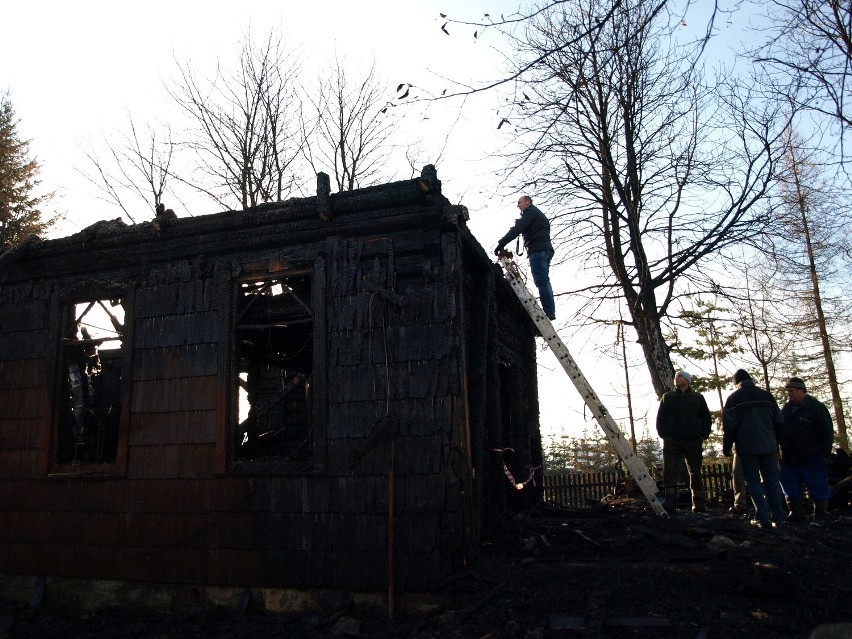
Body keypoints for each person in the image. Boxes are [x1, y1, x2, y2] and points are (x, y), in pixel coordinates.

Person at [722, 369, 786, 528]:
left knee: (753, 482)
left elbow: (730, 427)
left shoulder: (733, 399)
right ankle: (778, 517)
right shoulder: (767, 396)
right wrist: (777, 443)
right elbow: (779, 421)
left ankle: (762, 517)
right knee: (772, 481)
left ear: (736, 383)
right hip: (769, 446)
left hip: (747, 448)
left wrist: (727, 447)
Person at [779, 377, 834, 526]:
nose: (788, 394)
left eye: (791, 391)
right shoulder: (786, 410)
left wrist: (823, 454)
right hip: (790, 457)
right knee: (790, 484)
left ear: (801, 391)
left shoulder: (816, 408)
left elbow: (827, 433)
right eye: (787, 391)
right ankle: (796, 513)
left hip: (812, 456)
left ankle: (820, 515)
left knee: (817, 485)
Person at [656, 371, 712, 514]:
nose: (676, 378)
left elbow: (706, 417)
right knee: (670, 469)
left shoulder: (698, 398)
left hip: (693, 440)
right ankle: (670, 502)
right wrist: (664, 435)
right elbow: (660, 418)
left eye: (679, 376)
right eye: (675, 376)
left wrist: (703, 435)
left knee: (695, 470)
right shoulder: (667, 397)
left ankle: (698, 503)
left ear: (687, 380)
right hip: (672, 440)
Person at [494, 195, 556, 320]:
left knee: (541, 281)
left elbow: (518, 229)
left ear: (528, 202)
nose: (518, 205)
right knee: (544, 280)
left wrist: (501, 243)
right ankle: (550, 310)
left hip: (538, 251)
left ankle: (549, 312)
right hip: (544, 250)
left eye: (520, 202)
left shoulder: (531, 212)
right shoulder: (535, 214)